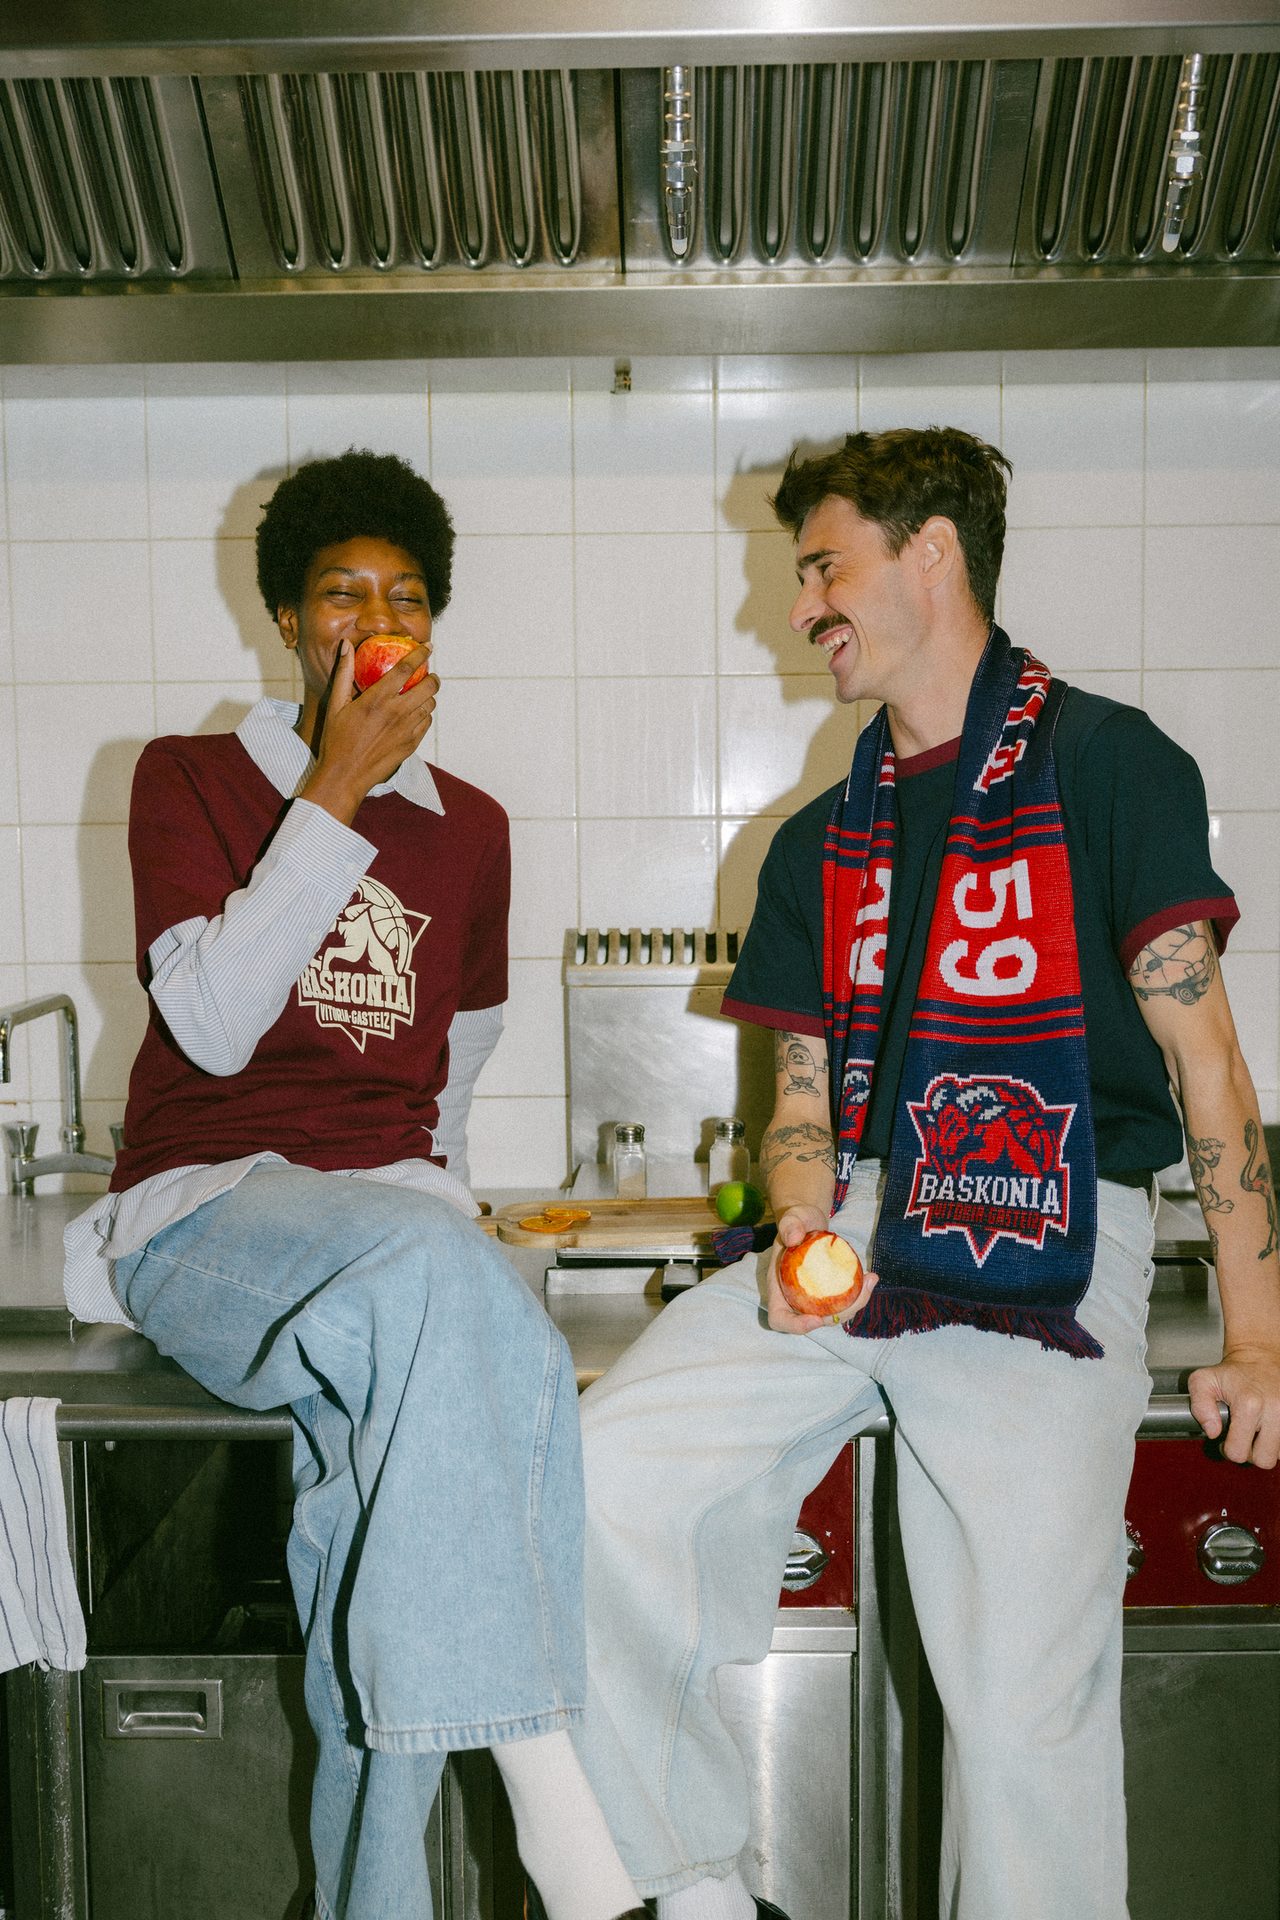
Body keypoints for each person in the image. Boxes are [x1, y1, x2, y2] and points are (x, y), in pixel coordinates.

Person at [571, 427, 1280, 1920]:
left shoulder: (1113, 767)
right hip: (865, 1226)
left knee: (1021, 1718)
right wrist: (800, 1220)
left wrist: (1260, 1337)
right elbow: (800, 1102)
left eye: (824, 566)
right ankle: (690, 1888)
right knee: (595, 1475)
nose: (800, 606)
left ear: (933, 554)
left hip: (1054, 1238)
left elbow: (1210, 1067)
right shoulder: (814, 845)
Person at [63, 449, 645, 1920]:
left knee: (374, 1568)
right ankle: (569, 1824)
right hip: (206, 1212)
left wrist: (443, 1221)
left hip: (388, 1244)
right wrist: (336, 784)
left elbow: (448, 1086)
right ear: (286, 619)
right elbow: (211, 1024)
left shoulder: (476, 829)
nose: (376, 621)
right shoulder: (188, 778)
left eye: (405, 599)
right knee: (444, 1279)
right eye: (342, 594)